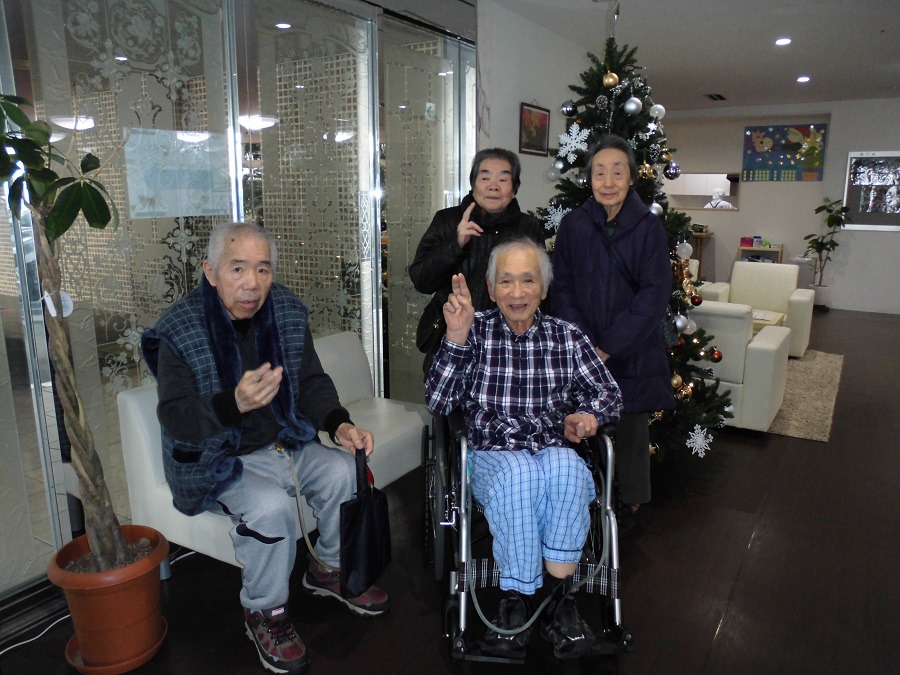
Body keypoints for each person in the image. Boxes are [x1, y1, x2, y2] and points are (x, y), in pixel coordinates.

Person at [141, 222, 389, 675]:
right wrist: (232, 403)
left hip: (286, 442)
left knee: (342, 472)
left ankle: (327, 569)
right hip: (218, 458)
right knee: (270, 508)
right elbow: (176, 416)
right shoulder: (180, 328)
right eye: (237, 268)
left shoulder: (286, 311)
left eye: (263, 269)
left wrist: (340, 424)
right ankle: (264, 612)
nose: (252, 283)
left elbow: (311, 382)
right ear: (211, 271)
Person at [425, 238, 622, 660]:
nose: (517, 292)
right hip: (492, 453)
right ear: (491, 289)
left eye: (528, 280)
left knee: (567, 470)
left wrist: (588, 416)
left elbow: (608, 394)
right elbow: (439, 403)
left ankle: (559, 598)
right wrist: (456, 336)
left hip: (552, 446)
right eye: (506, 281)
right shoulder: (473, 331)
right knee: (521, 475)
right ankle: (517, 601)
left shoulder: (566, 336)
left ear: (544, 289)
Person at [551, 134, 675, 530]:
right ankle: (581, 496)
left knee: (632, 426)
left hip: (633, 347)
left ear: (632, 178)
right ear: (589, 178)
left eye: (617, 172)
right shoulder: (574, 225)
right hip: (582, 344)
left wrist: (610, 345)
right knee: (580, 421)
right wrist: (585, 343)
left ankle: (631, 504)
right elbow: (561, 286)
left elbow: (654, 293)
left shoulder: (648, 227)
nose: (608, 181)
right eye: (599, 172)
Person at [410, 148, 546, 374]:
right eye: (485, 178)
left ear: (514, 188)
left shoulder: (528, 227)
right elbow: (421, 280)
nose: (494, 186)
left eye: (503, 179)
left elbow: (541, 287)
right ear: (473, 184)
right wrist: (456, 243)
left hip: (509, 345)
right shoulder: (447, 220)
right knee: (447, 396)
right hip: (453, 339)